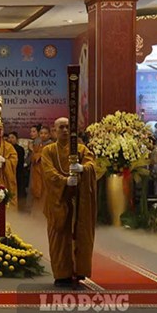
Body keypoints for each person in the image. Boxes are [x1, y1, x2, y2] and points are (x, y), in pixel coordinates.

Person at [41, 117, 97, 288]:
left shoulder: (81, 149)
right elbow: (48, 172)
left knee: (80, 233)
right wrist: (64, 181)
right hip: (58, 199)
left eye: (67, 127)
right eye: (61, 127)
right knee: (59, 236)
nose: (65, 130)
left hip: (79, 200)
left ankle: (79, 271)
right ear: (54, 131)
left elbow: (92, 165)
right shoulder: (48, 150)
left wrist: (83, 169)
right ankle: (62, 274)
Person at [30, 126, 52, 209]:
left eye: (45, 133)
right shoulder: (38, 145)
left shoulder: (51, 145)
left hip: (45, 173)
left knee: (45, 193)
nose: (43, 135)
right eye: (41, 133)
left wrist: (36, 154)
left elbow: (45, 157)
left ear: (49, 135)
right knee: (37, 192)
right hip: (37, 173)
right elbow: (33, 158)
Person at [7, 131, 27, 199]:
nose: (10, 140)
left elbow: (19, 162)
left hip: (18, 173)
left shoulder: (19, 149)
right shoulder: (6, 149)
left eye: (12, 137)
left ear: (16, 139)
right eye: (9, 138)